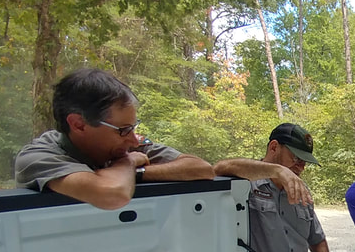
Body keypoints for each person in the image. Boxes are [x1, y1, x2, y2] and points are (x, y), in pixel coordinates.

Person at [15, 68, 214, 209]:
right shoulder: (39, 157)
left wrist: (139, 173)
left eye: (132, 128)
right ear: (79, 124)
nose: (134, 141)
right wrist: (127, 162)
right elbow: (112, 195)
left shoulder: (121, 143)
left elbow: (201, 169)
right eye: (123, 129)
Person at [215, 123, 341, 252]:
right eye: (297, 158)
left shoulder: (300, 189)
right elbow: (218, 168)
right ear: (274, 147)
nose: (301, 167)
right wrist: (277, 170)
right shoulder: (246, 185)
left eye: (305, 162)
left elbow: (315, 235)